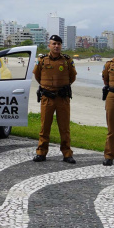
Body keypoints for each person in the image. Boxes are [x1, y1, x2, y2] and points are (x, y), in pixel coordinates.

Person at [33, 35, 77, 163]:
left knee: (64, 127)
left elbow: (72, 77)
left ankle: (67, 153)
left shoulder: (67, 61)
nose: (56, 46)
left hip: (62, 98)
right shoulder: (41, 60)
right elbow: (37, 76)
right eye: (54, 44)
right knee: (45, 126)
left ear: (61, 46)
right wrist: (47, 87)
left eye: (58, 44)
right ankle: (41, 152)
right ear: (49, 45)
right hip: (47, 98)